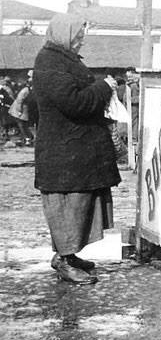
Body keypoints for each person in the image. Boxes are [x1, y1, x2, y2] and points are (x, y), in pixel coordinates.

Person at [33, 14, 121, 285]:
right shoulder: (50, 62)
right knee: (68, 204)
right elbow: (74, 102)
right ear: (63, 34)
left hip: (74, 148)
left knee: (80, 202)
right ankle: (63, 258)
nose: (81, 39)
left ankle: (69, 255)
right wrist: (103, 87)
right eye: (77, 35)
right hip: (64, 150)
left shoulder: (62, 59)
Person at [8, 77, 34, 145]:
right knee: (21, 124)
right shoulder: (25, 90)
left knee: (23, 124)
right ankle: (26, 137)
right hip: (19, 109)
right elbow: (20, 100)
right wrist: (19, 111)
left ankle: (28, 137)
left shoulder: (29, 90)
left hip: (24, 108)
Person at [124, 67, 139, 142]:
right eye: (128, 77)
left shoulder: (133, 85)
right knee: (132, 122)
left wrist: (129, 100)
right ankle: (132, 138)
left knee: (133, 123)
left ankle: (133, 138)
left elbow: (137, 97)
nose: (129, 79)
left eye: (130, 76)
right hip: (130, 107)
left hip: (133, 107)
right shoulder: (131, 85)